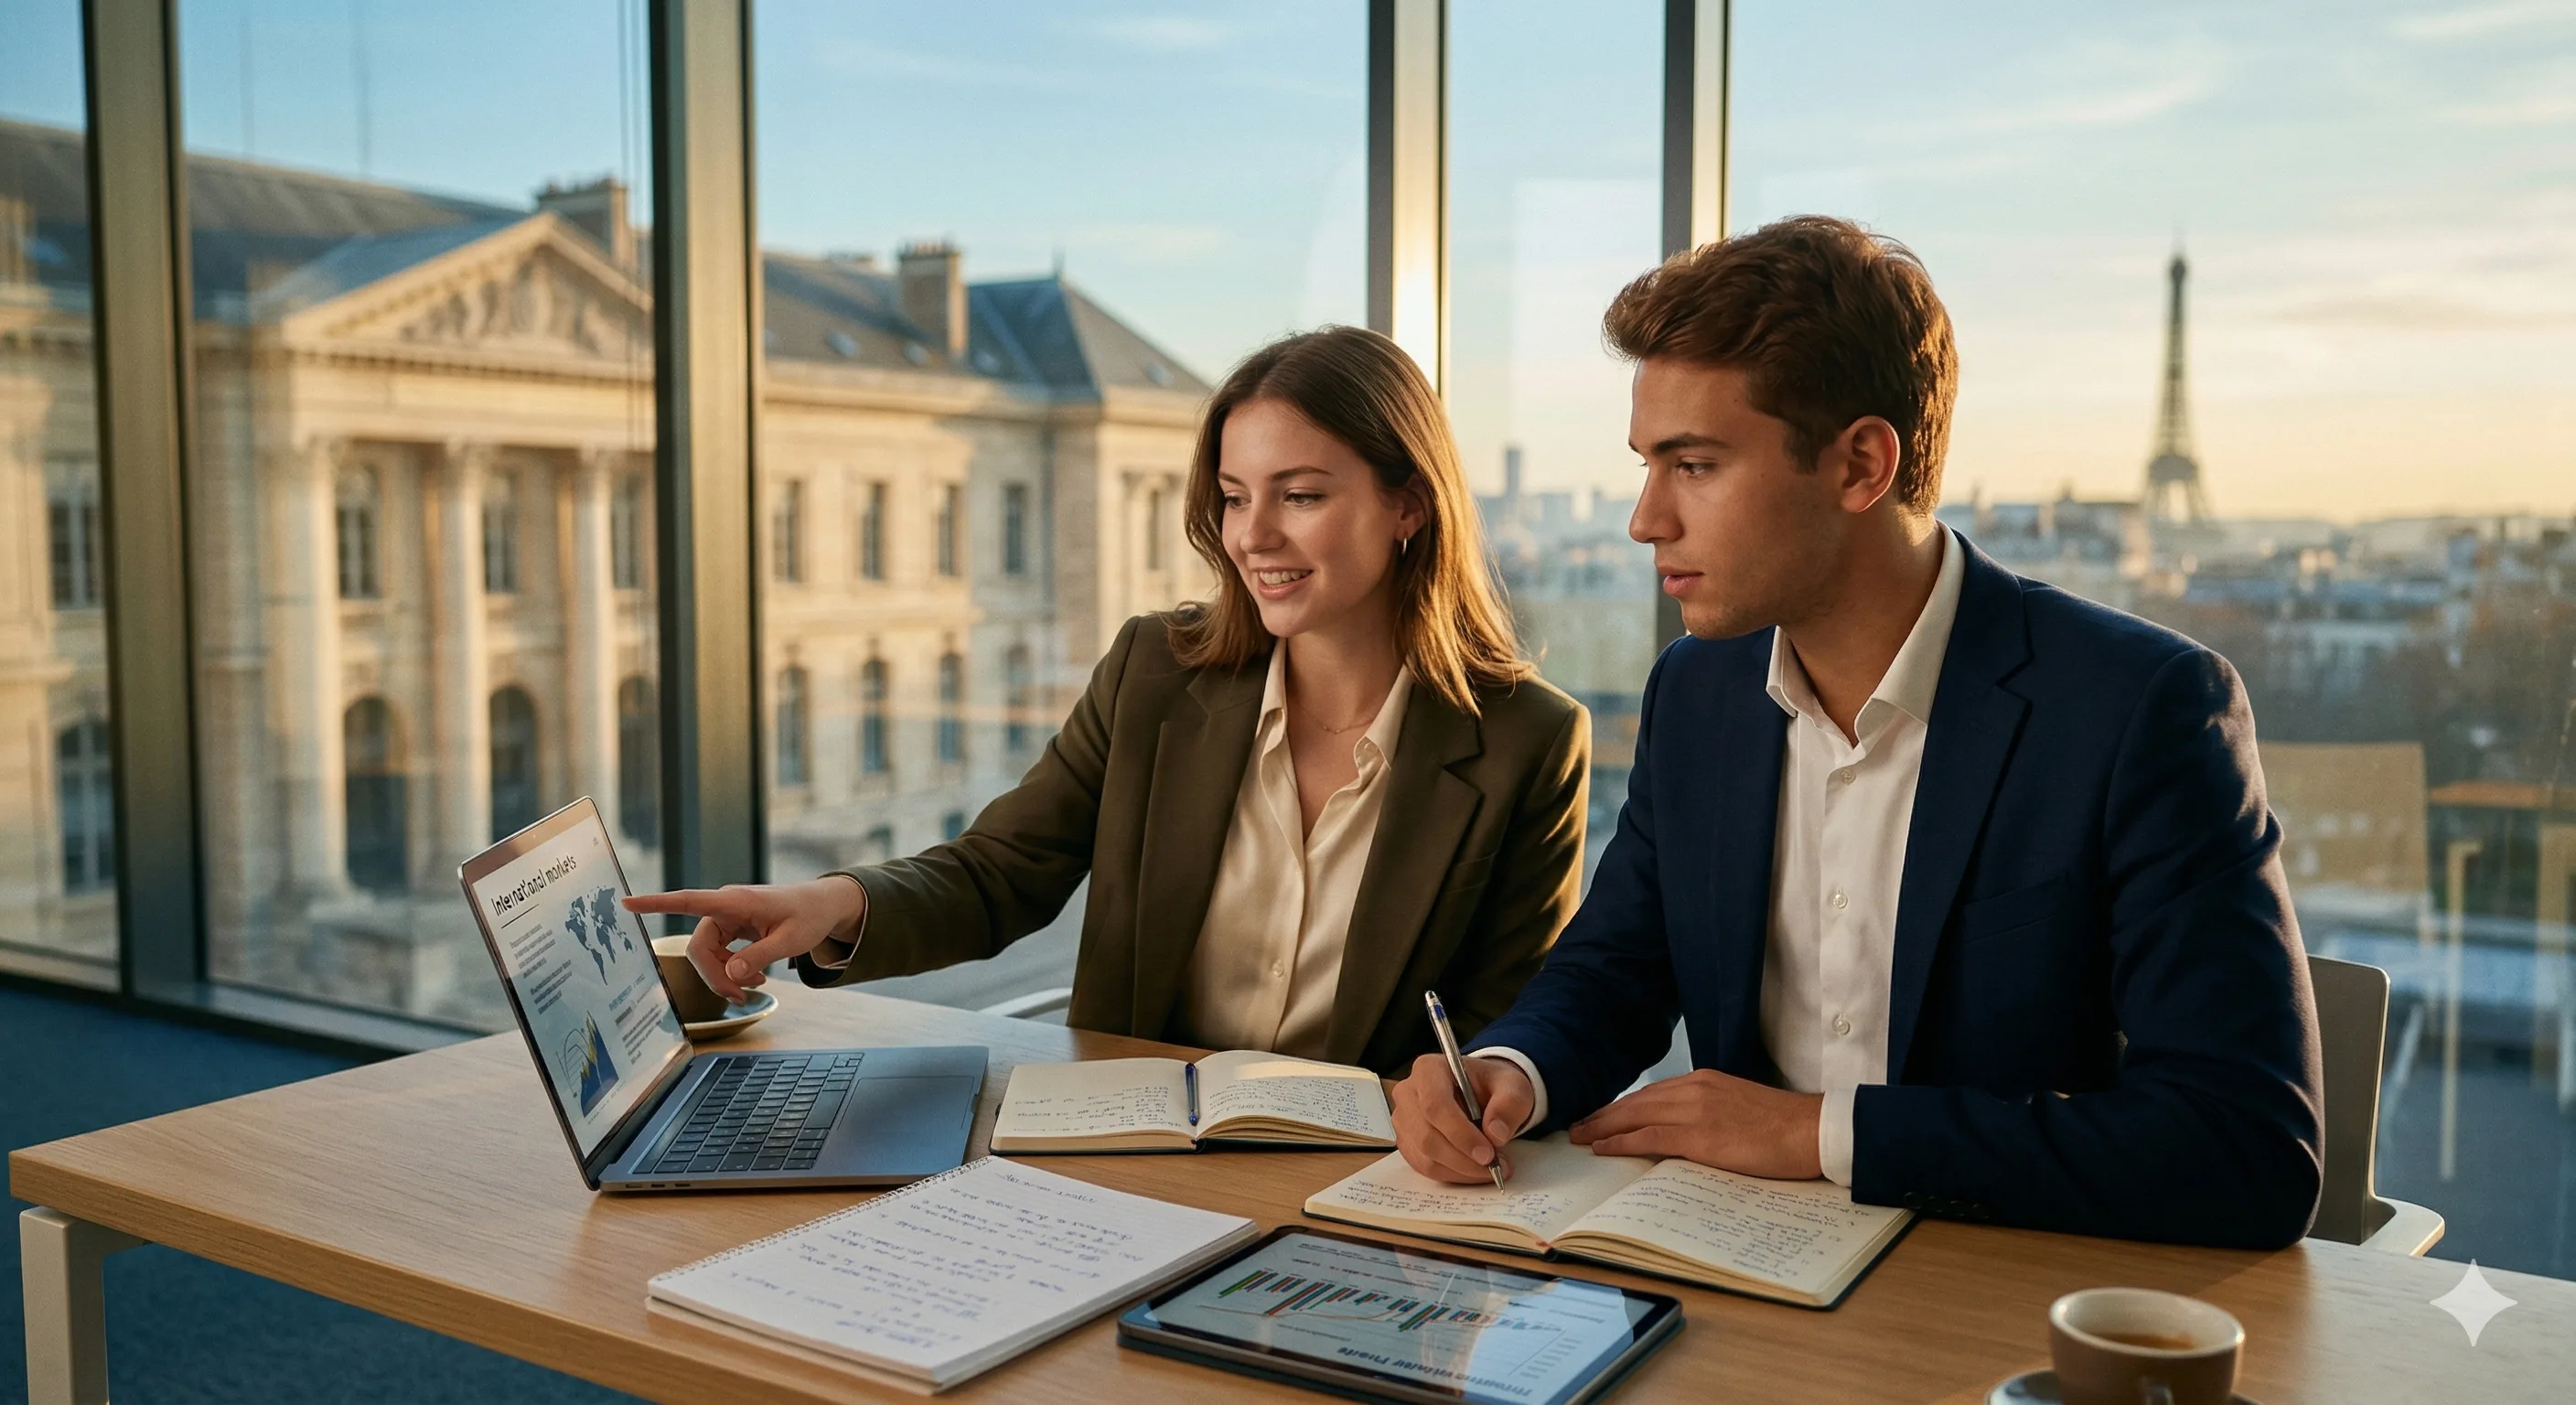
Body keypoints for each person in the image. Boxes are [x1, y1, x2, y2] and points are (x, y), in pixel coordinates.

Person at [1389, 217, 2325, 1249]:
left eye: (1692, 465)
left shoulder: (2139, 708)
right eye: (1644, 465)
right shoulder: (1696, 689)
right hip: (1730, 1271)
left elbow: (2245, 1150)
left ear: (1860, 465)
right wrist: (1508, 1069)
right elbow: (1618, 967)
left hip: (1991, 1294)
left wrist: (1823, 1135)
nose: (1644, 518)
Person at [628, 326, 1590, 1077]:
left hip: (1365, 1188)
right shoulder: (1154, 673)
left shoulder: (1527, 742)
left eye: (1298, 495)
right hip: (1136, 1160)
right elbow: (1001, 871)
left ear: (1408, 506)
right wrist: (830, 902)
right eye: (1231, 494)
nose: (1251, 535)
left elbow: (1504, 1032)